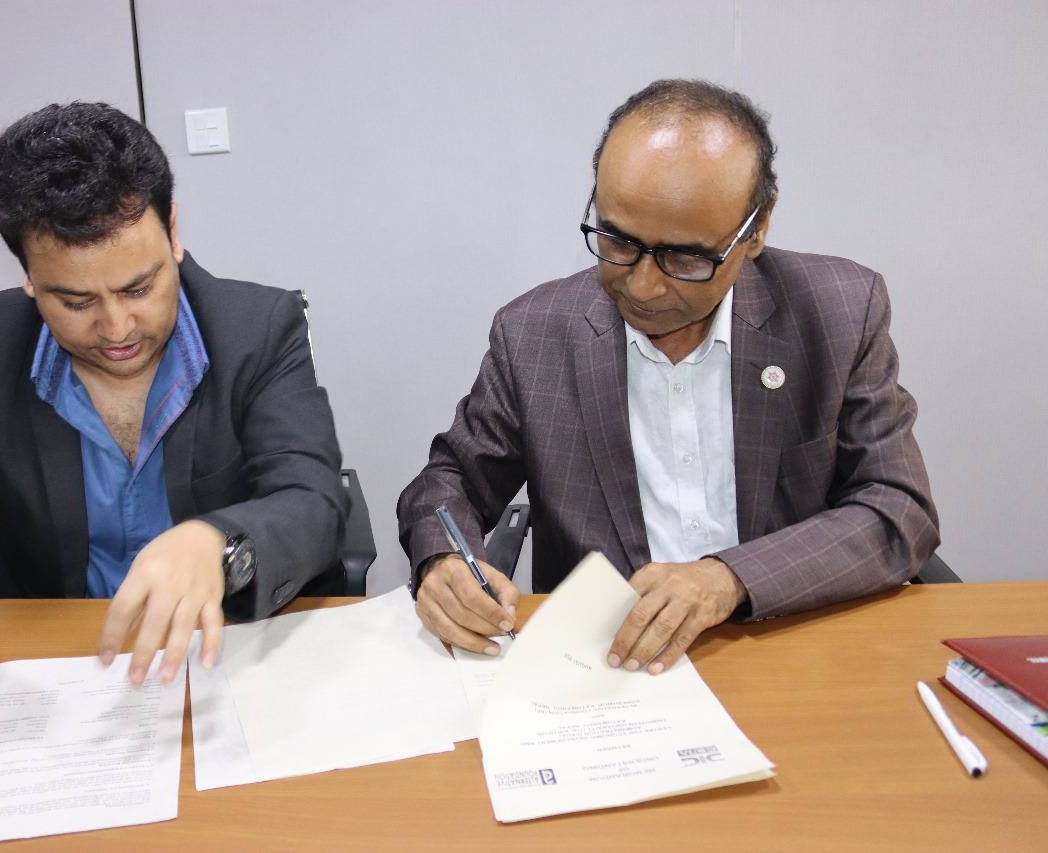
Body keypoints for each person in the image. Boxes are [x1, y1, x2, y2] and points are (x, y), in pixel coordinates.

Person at [398, 79, 938, 673]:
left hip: (789, 649)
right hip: (607, 666)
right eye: (617, 241)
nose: (643, 286)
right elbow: (448, 481)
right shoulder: (533, 335)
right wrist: (442, 561)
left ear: (756, 228)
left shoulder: (838, 312)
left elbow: (897, 508)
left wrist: (728, 578)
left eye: (686, 257)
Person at [0, 102, 348, 684]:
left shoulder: (257, 330)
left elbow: (312, 499)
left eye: (139, 288)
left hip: (222, 657)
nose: (116, 329)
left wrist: (217, 543)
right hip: (52, 665)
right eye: (76, 302)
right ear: (28, 276)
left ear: (173, 233)